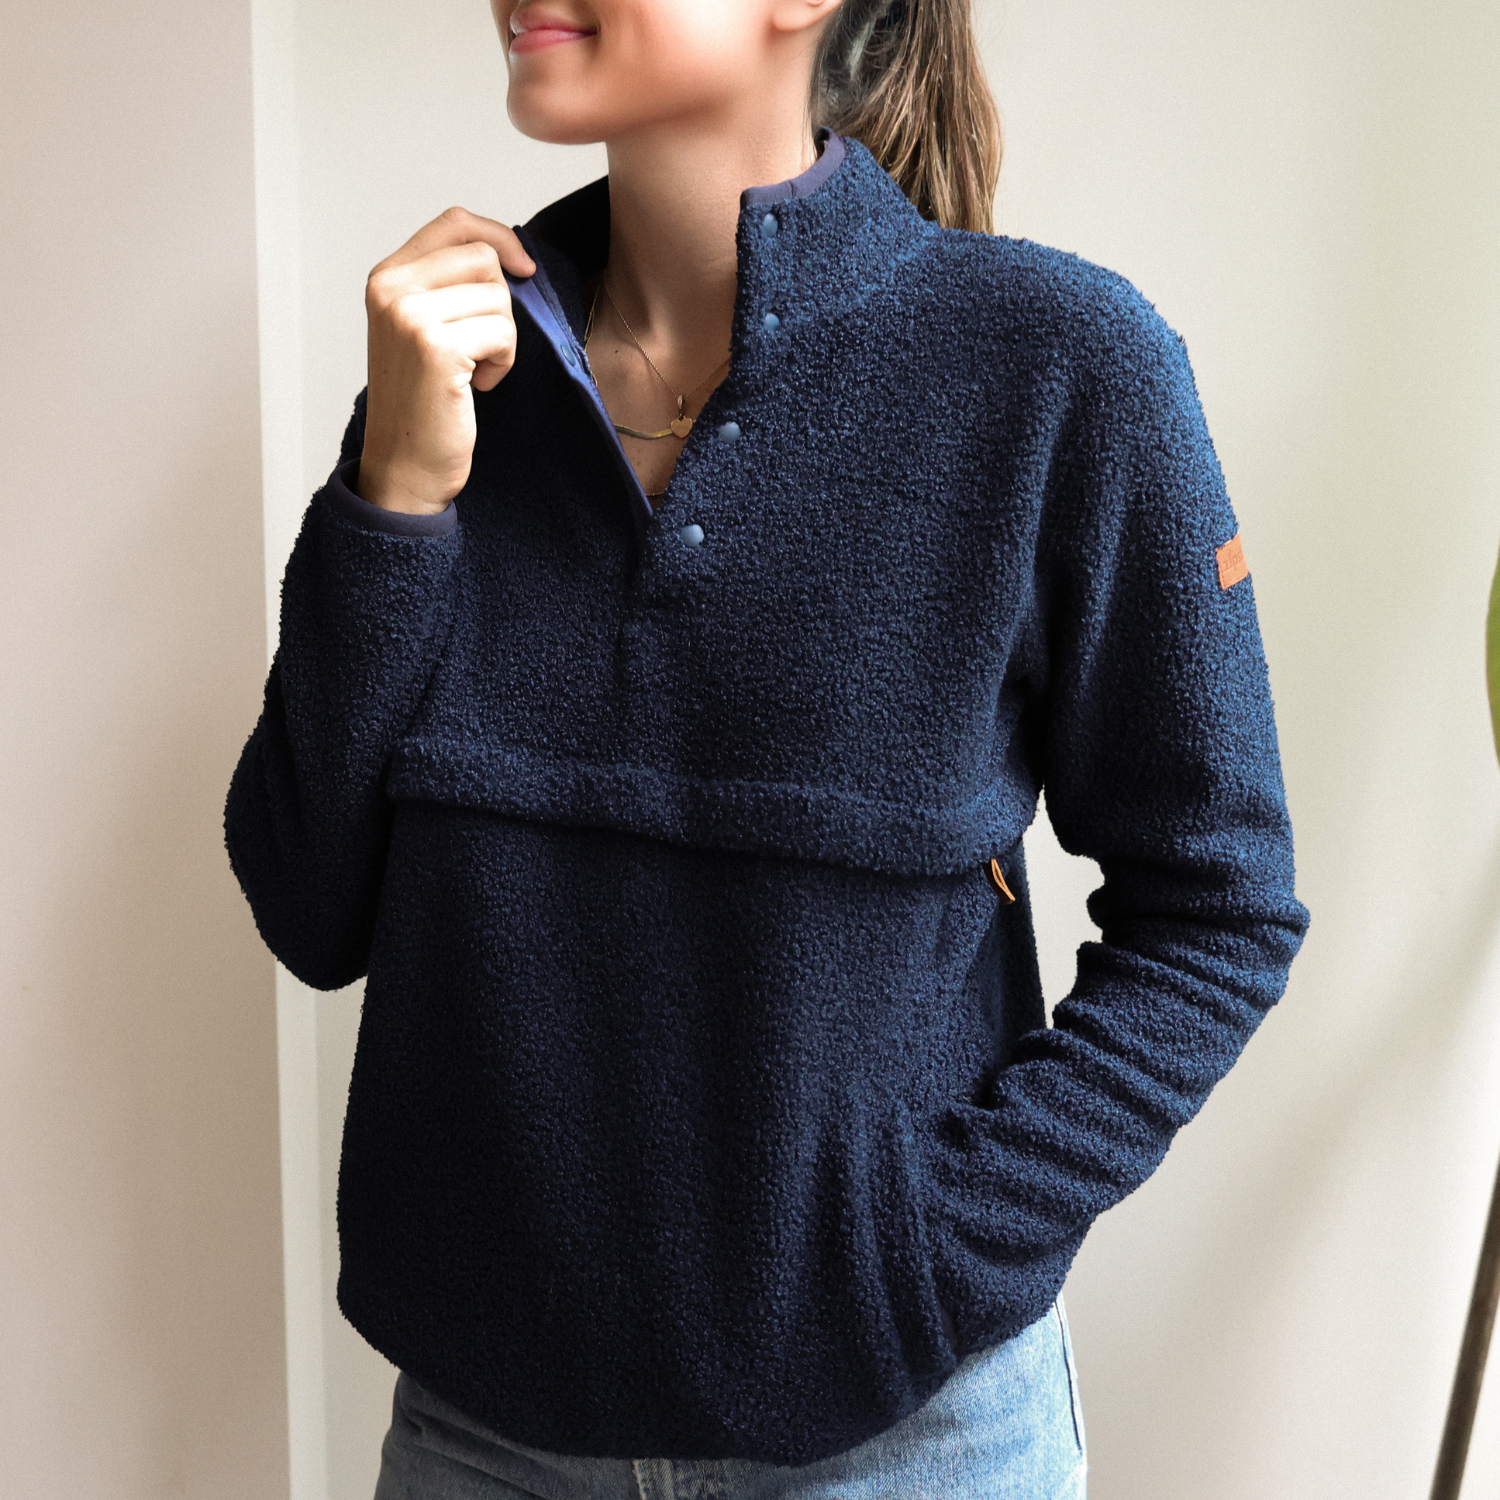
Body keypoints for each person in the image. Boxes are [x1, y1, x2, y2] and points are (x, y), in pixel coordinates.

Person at [224, 0, 1311, 1493]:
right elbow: (311, 909)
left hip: (906, 1443)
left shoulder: (1061, 366)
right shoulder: (453, 381)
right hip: (483, 1441)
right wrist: (392, 502)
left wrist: (928, 1254)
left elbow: (1218, 910)